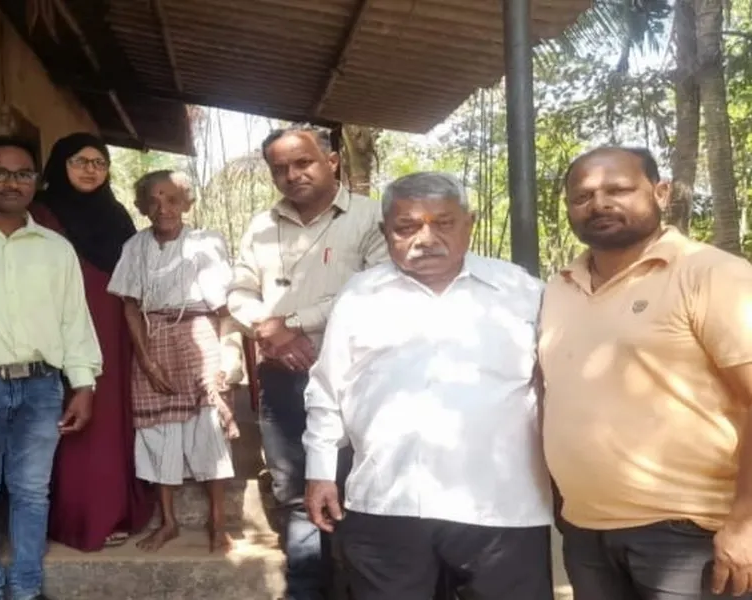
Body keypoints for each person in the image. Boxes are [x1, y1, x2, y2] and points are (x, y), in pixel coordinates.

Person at [303, 172, 554, 599]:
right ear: (385, 231)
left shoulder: (523, 291)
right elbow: (327, 387)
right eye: (407, 227)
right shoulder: (360, 295)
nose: (426, 238)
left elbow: (557, 385)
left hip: (502, 504)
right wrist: (321, 471)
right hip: (388, 501)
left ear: (469, 224)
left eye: (443, 223)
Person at [541, 146, 752, 600]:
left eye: (618, 190)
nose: (599, 204)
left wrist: (744, 524)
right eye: (582, 197)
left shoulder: (711, 275)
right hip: (585, 530)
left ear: (660, 193)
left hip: (689, 533)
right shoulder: (559, 288)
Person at [227, 124, 388, 600]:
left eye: (304, 162)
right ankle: (307, 591)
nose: (292, 175)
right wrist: (271, 333)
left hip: (356, 377)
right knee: (295, 491)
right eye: (280, 168)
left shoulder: (371, 216)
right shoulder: (261, 226)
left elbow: (374, 289)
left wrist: (292, 323)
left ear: (332, 160)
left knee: (360, 486)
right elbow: (238, 291)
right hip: (283, 378)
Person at [0, 136, 101, 600]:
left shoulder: (55, 248)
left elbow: (74, 318)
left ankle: (26, 587)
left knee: (33, 492)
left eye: (23, 174)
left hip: (40, 386)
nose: (11, 183)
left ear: (36, 181)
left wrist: (83, 384)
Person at [108, 170, 244, 554]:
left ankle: (218, 522)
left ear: (187, 203)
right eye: (153, 201)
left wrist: (228, 356)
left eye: (172, 200)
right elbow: (130, 307)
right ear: (141, 206)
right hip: (153, 340)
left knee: (209, 425)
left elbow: (224, 309)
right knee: (158, 431)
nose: (163, 208)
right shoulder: (135, 246)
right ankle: (169, 523)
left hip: (199, 335)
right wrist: (146, 360)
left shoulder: (205, 243)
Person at [31, 132, 153, 551]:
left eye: (99, 163)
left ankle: (113, 508)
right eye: (79, 161)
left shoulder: (115, 215)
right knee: (70, 413)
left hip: (113, 327)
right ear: (59, 165)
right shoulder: (39, 213)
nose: (90, 170)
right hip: (58, 327)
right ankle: (76, 514)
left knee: (109, 415)